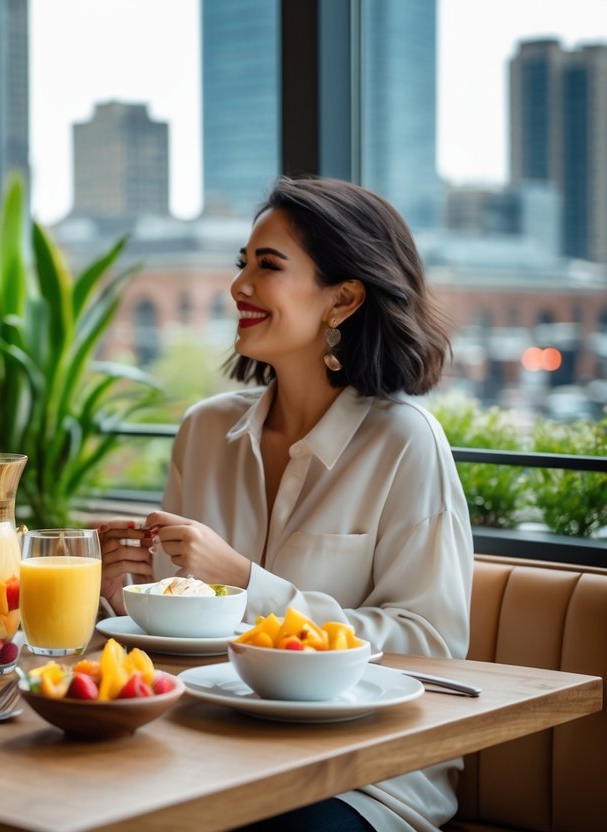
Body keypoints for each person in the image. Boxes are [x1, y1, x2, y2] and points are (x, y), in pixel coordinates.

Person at [97, 177, 473, 832]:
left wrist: (247, 585)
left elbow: (430, 643)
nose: (239, 285)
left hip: (360, 778)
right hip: (209, 747)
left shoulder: (404, 442)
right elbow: (179, 631)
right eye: (240, 264)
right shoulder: (203, 430)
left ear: (343, 297)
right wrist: (120, 593)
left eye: (266, 266)